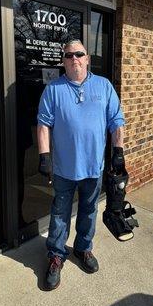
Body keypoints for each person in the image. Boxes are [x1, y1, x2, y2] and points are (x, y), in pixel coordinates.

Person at [37, 39, 125, 290]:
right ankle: (55, 255)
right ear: (63, 61)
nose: (74, 58)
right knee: (60, 213)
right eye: (68, 55)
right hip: (64, 168)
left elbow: (116, 120)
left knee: (89, 211)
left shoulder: (104, 86)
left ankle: (83, 249)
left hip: (93, 168)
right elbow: (44, 124)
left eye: (79, 54)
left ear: (87, 58)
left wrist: (118, 151)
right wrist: (44, 156)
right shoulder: (53, 89)